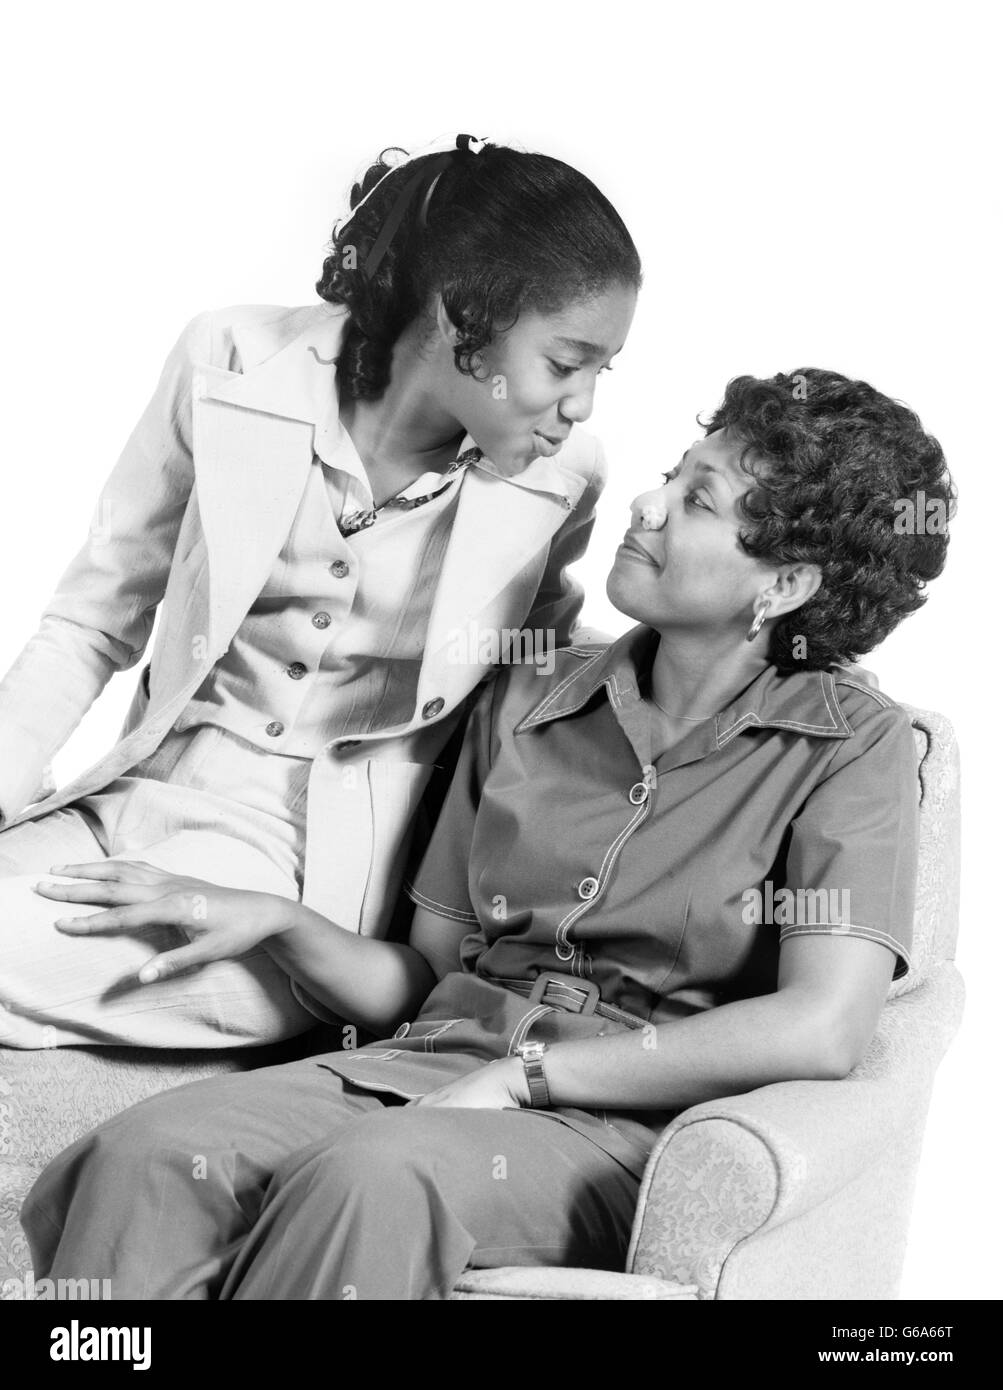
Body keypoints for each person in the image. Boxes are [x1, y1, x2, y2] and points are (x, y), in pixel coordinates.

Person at [21, 366, 954, 1299]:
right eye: (672, 472)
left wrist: (529, 1078)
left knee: (370, 1179)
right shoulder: (526, 691)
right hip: (422, 1069)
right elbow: (424, 976)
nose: (646, 502)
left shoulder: (854, 745)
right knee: (147, 1155)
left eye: (696, 499)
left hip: (615, 1128)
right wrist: (281, 921)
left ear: (783, 584)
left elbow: (822, 1027)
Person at [0, 134, 639, 1048]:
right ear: (463, 318)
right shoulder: (230, 359)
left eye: (600, 372)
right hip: (124, 797)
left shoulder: (558, 479)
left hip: (294, 879)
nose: (581, 405)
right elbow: (98, 611)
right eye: (566, 363)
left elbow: (529, 698)